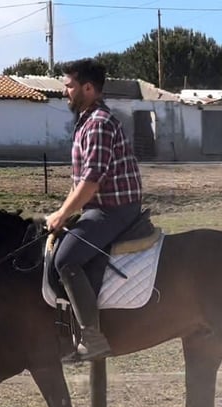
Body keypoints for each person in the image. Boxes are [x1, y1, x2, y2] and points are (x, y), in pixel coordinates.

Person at [46, 58, 144, 363]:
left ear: (88, 88)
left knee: (66, 259)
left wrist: (62, 215)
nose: (66, 92)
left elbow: (91, 180)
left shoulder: (99, 123)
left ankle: (92, 337)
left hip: (115, 209)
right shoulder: (87, 121)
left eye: (70, 86)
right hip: (100, 206)